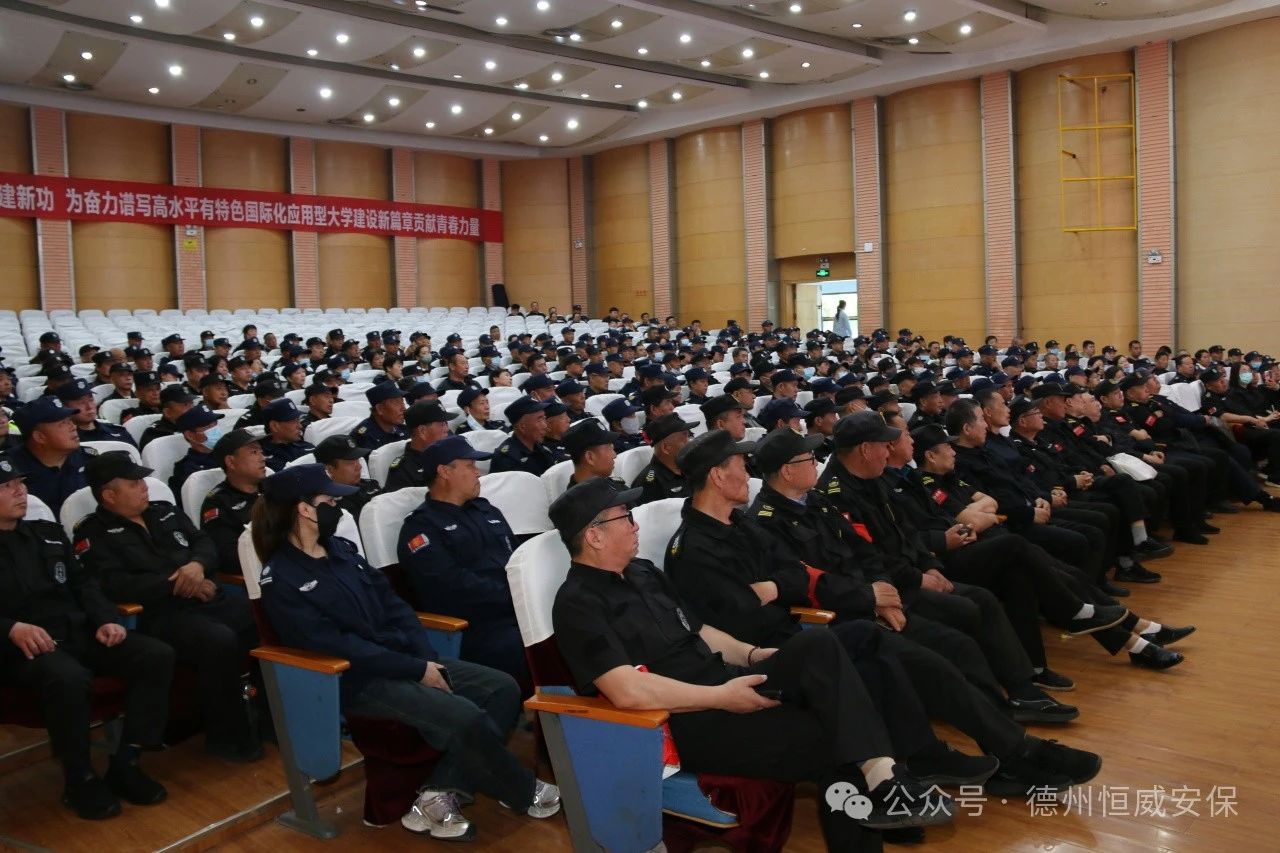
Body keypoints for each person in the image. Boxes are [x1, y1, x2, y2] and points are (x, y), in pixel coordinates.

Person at [550, 478, 957, 847]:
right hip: (687, 719)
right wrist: (720, 697)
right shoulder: (577, 605)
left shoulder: (643, 572)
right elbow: (627, 690)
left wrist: (751, 654)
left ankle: (883, 777)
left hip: (727, 681)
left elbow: (699, 631)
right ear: (594, 536)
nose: (635, 524)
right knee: (837, 738)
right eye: (624, 517)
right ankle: (882, 780)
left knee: (828, 644)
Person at [254, 464, 558, 840]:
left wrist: (424, 658)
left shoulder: (342, 551)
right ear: (304, 509)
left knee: (502, 688)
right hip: (358, 680)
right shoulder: (281, 577)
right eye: (329, 501)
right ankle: (523, 791)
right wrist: (415, 669)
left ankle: (437, 794)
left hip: (403, 658)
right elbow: (335, 645)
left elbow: (395, 606)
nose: (338, 508)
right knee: (463, 715)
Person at [817, 412, 1078, 722]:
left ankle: (1023, 689)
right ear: (864, 449)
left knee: (992, 592)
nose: (889, 451)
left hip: (913, 571)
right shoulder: (835, 495)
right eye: (884, 445)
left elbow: (906, 533)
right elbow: (867, 557)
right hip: (890, 588)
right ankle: (994, 707)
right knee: (967, 610)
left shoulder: (874, 479)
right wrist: (918, 577)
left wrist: (929, 566)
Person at [0, 455, 174, 820]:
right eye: (7, 487)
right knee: (68, 678)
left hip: (74, 632)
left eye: (21, 483)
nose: (21, 492)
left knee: (154, 655)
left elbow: (84, 584)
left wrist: (106, 619)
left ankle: (127, 760)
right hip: (19, 648)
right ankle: (79, 778)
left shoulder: (45, 532)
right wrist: (11, 627)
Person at [72, 452, 261, 762]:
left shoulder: (165, 512)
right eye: (134, 483)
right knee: (218, 640)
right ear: (109, 495)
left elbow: (204, 543)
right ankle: (226, 735)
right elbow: (114, 584)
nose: (145, 487)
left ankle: (266, 714)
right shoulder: (93, 534)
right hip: (159, 613)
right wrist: (180, 584)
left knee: (263, 617)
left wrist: (197, 566)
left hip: (206, 594)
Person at [398, 437, 527, 690]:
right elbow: (451, 587)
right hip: (476, 625)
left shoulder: (486, 510)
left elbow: (517, 558)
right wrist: (515, 596)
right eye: (469, 466)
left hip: (518, 609)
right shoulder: (422, 528)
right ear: (444, 472)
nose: (477, 472)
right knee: (529, 646)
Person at [8, 396, 97, 516]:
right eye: (63, 423)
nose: (73, 427)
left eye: (70, 420)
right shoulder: (10, 471)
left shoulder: (90, 459)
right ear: (39, 437)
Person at [199, 430, 268, 581]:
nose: (263, 458)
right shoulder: (218, 503)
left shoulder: (274, 487)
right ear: (230, 462)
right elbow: (230, 559)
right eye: (254, 452)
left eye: (261, 452)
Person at [385, 402, 453, 491]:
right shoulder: (403, 471)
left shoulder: (452, 453)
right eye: (442, 424)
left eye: (446, 423)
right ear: (422, 431)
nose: (447, 429)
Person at [631, 413, 697, 504]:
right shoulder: (649, 485)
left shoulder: (692, 468)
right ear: (666, 448)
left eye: (689, 436)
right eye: (684, 437)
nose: (690, 442)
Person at [314, 435, 381, 520]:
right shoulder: (328, 505)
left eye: (358, 460)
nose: (359, 467)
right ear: (329, 470)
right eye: (351, 463)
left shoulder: (370, 485)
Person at [168, 403, 225, 498]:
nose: (215, 430)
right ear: (190, 435)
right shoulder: (186, 470)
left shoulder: (228, 453)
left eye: (215, 424)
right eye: (207, 427)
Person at [57, 379, 136, 446]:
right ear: (65, 407)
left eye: (91, 400)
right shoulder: (66, 442)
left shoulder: (118, 431)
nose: (89, 407)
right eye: (81, 403)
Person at [490, 397, 557, 476]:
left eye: (544, 418)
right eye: (539, 420)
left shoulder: (541, 447)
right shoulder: (506, 459)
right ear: (522, 427)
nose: (545, 426)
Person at [258, 398, 315, 473]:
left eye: (298, 420)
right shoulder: (263, 457)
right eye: (293, 421)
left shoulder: (306, 445)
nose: (300, 426)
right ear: (275, 426)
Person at [354, 382, 409, 451]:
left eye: (402, 402)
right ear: (379, 409)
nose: (403, 408)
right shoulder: (363, 438)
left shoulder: (403, 429)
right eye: (396, 403)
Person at [139, 385, 196, 450]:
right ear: (167, 412)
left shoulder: (198, 427)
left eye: (192, 403)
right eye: (185, 405)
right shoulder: (155, 435)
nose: (192, 409)